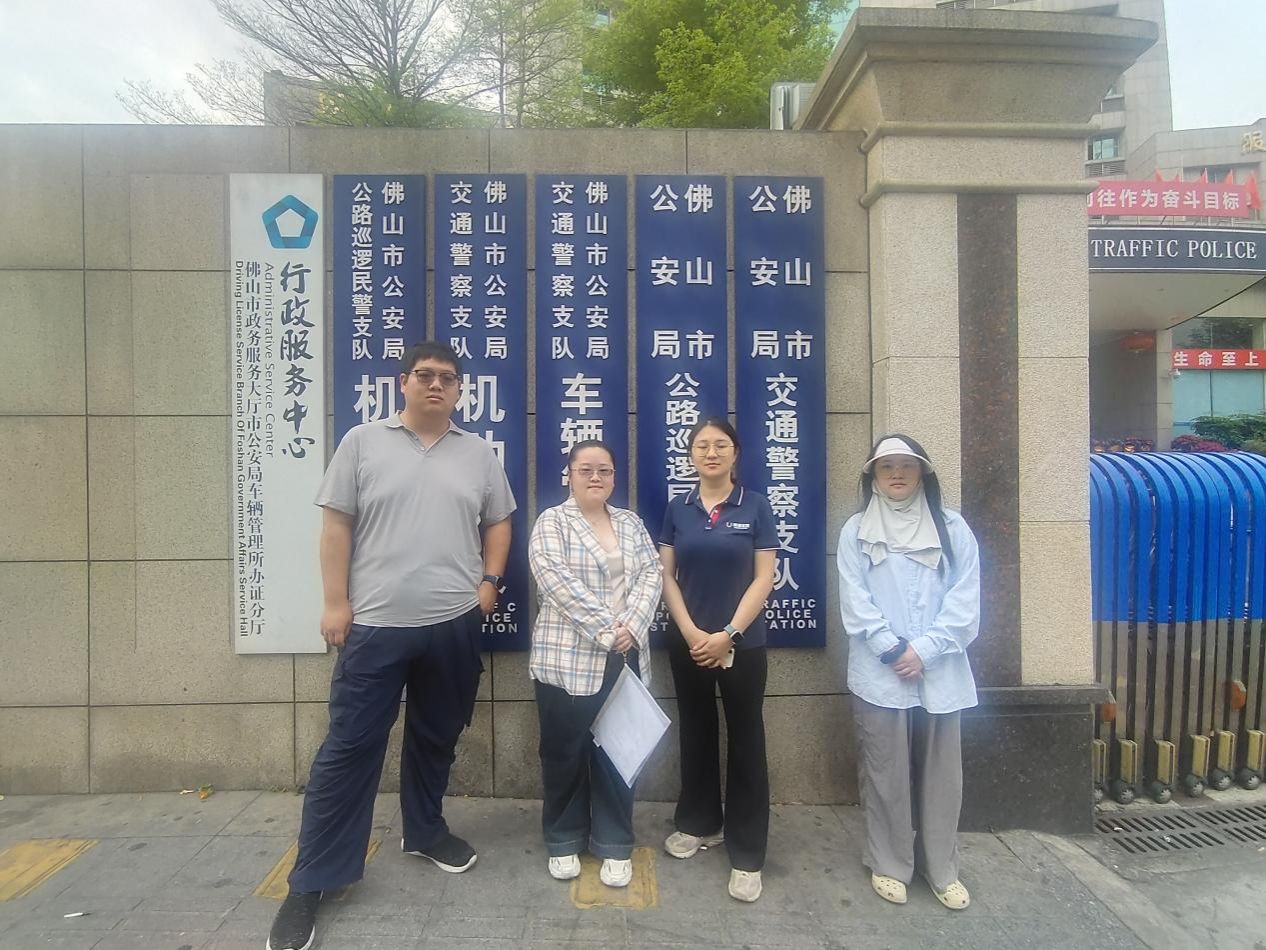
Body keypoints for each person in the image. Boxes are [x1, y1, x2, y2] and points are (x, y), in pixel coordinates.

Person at [268, 341, 515, 950]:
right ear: (402, 382)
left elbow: (499, 520)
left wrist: (489, 582)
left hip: (453, 624)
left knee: (437, 735)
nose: (436, 385)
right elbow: (336, 524)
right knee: (350, 748)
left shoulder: (478, 453)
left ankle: (424, 831)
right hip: (376, 624)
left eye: (448, 378)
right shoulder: (362, 442)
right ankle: (312, 880)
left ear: (460, 391)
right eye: (424, 375)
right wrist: (334, 601)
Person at [836, 434, 980, 911]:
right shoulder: (857, 530)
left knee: (943, 777)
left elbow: (965, 600)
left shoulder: (953, 528)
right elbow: (855, 601)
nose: (896, 474)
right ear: (873, 476)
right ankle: (889, 863)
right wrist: (893, 649)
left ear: (923, 473)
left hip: (941, 670)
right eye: (886, 467)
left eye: (906, 465)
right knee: (885, 772)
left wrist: (925, 649)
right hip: (881, 671)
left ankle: (941, 868)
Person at [527, 440, 663, 887]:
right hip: (567, 658)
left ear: (614, 477)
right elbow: (555, 582)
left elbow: (652, 574)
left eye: (604, 470)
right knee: (563, 753)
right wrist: (609, 629)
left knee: (618, 752)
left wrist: (632, 627)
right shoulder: (552, 521)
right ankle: (563, 838)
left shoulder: (630, 523)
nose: (595, 477)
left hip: (624, 656)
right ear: (569, 474)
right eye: (585, 469)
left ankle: (614, 841)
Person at [658, 417, 778, 903]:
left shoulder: (756, 505)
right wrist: (691, 632)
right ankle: (699, 821)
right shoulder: (678, 508)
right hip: (688, 642)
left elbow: (764, 577)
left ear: (735, 453)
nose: (711, 453)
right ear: (690, 455)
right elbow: (666, 575)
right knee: (696, 729)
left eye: (721, 445)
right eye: (702, 446)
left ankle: (747, 852)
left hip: (742, 646)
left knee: (747, 738)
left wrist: (728, 633)